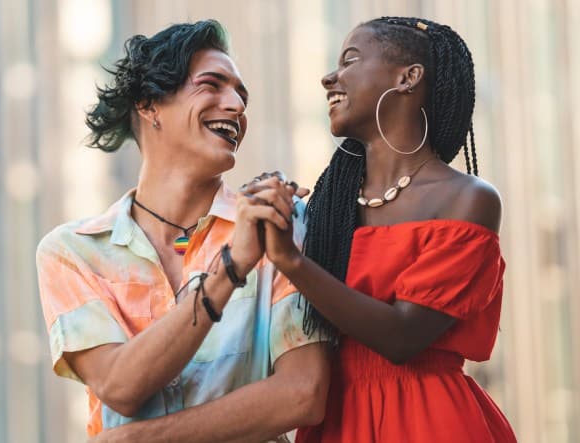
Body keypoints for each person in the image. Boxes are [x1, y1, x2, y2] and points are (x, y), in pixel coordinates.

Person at [35, 20, 330, 442]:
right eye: (212, 85)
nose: (236, 105)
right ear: (149, 104)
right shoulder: (73, 252)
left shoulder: (282, 224)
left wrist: (145, 439)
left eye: (241, 95)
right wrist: (229, 271)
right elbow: (121, 387)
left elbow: (304, 394)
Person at [241, 17, 517, 442]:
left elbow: (402, 337)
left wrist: (292, 262)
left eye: (350, 60)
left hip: (428, 421)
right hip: (335, 419)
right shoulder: (325, 208)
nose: (328, 77)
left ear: (408, 78)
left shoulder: (468, 199)